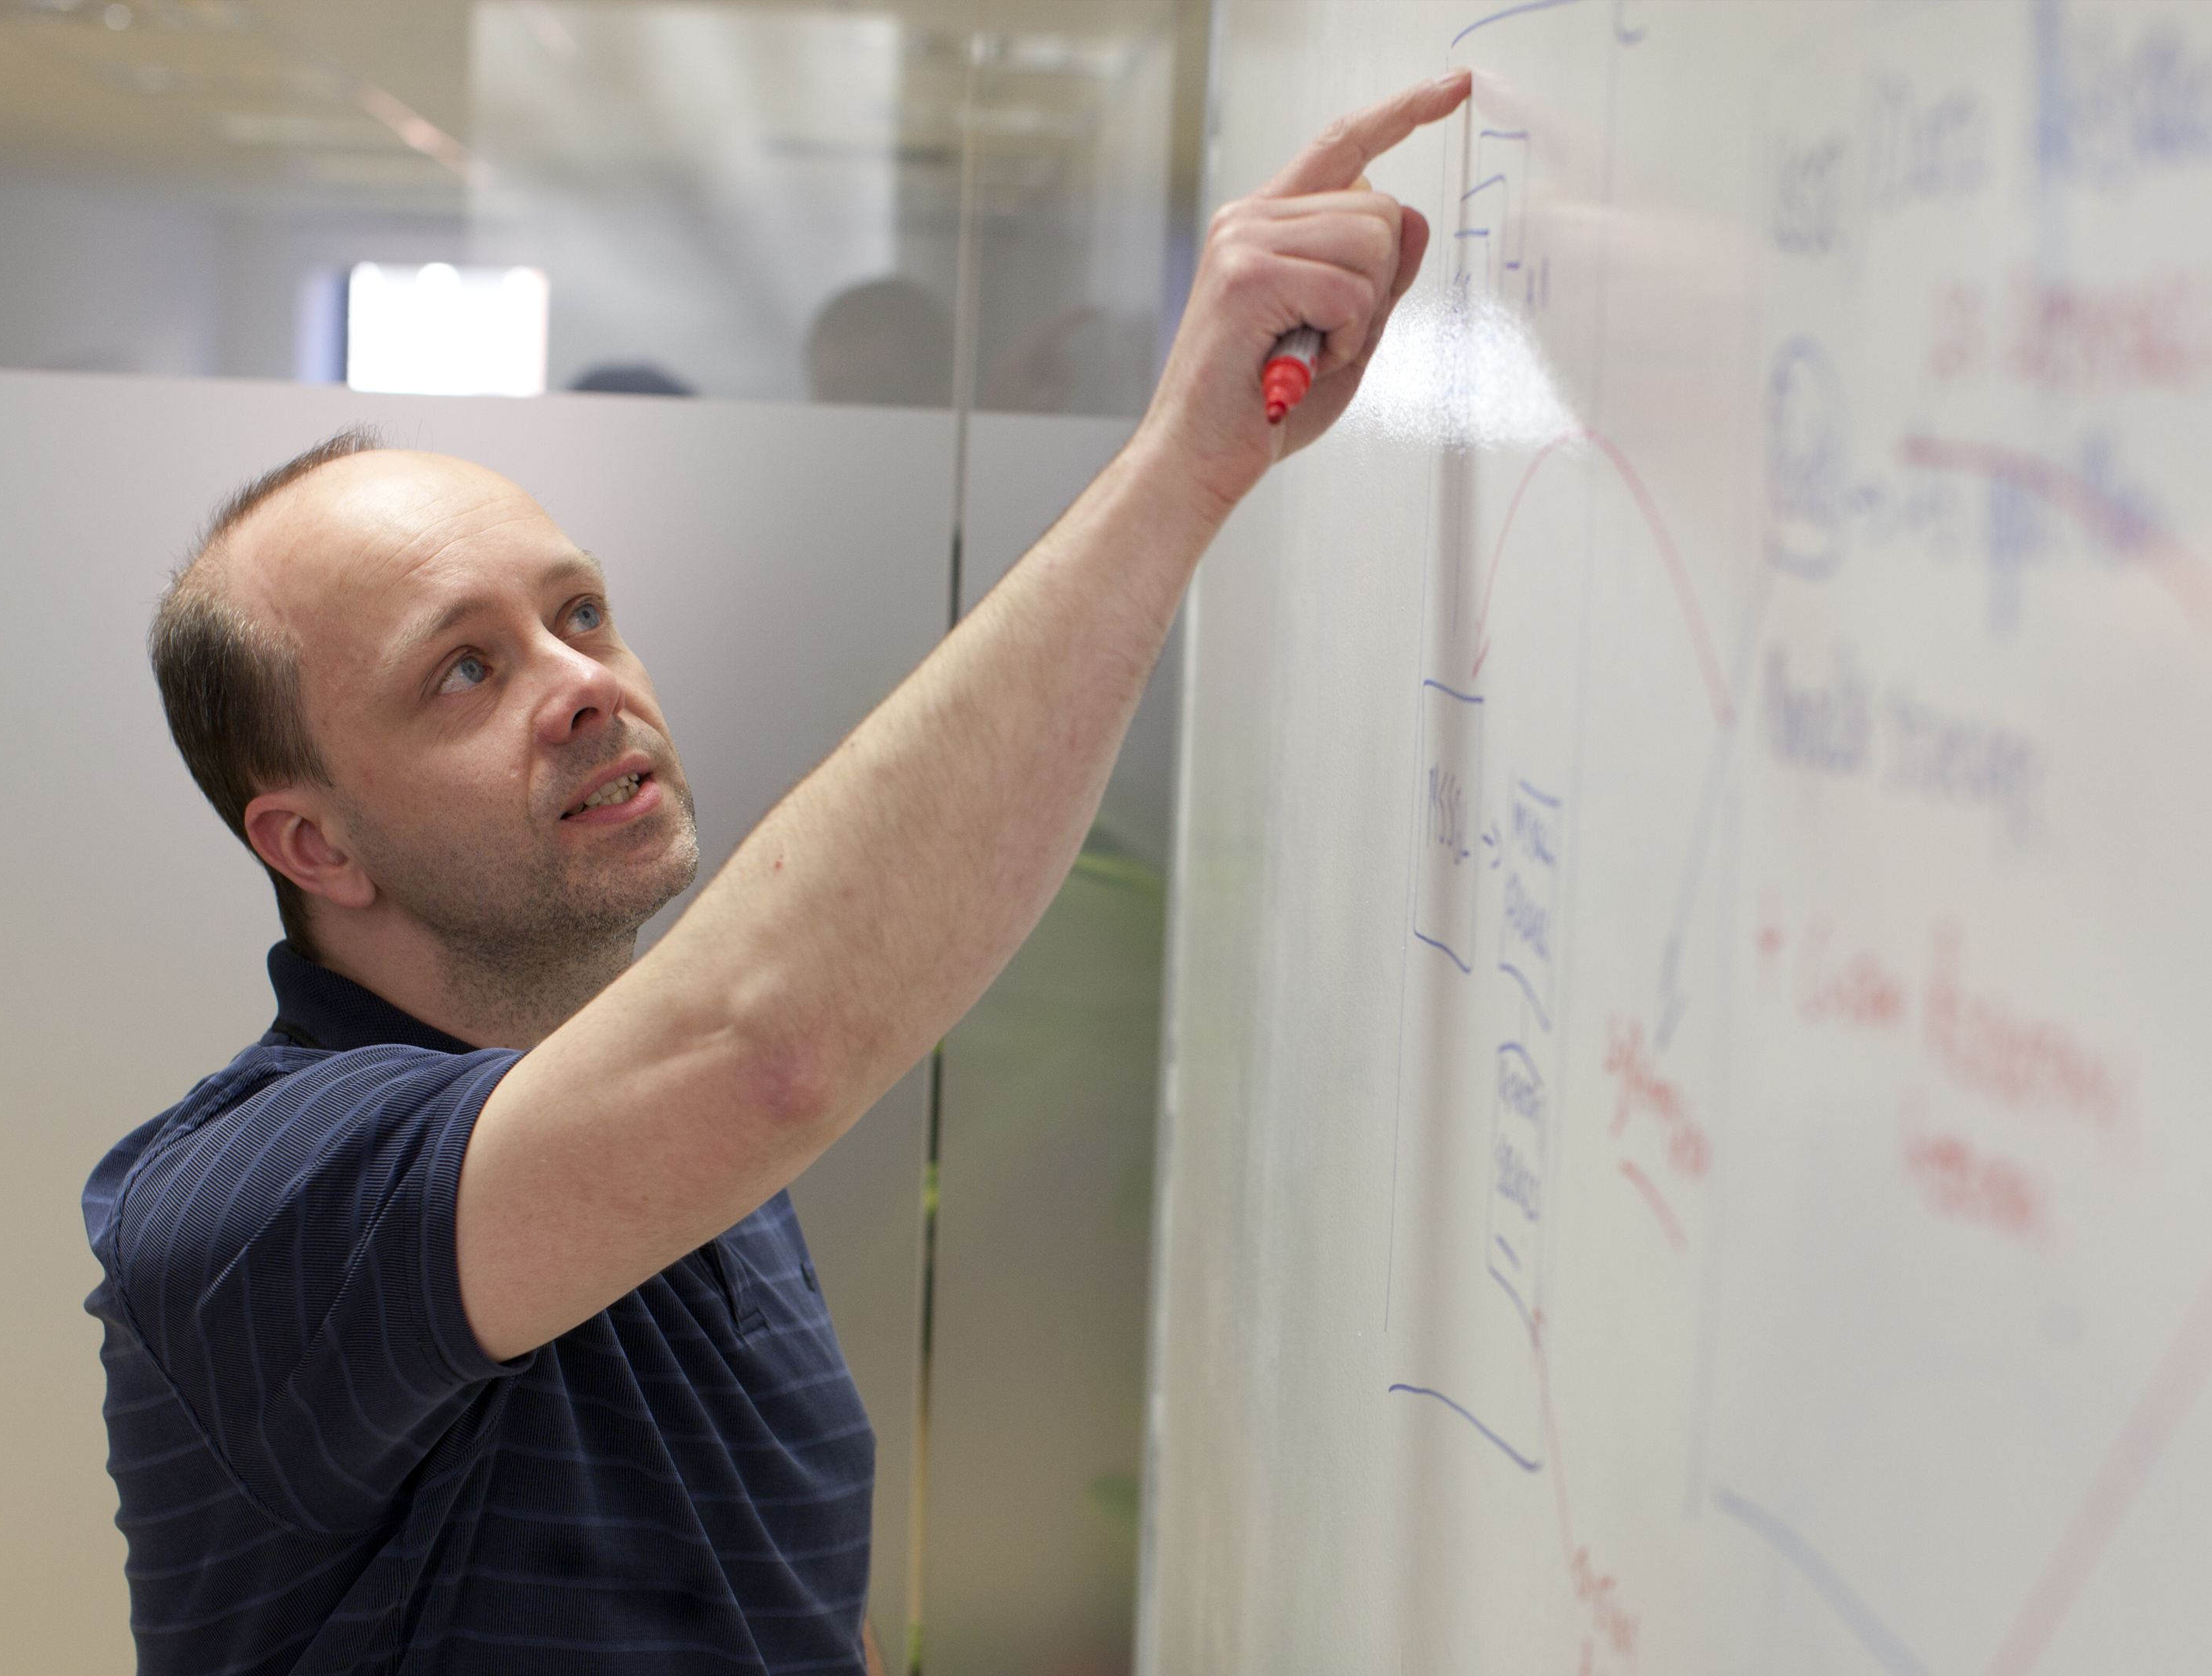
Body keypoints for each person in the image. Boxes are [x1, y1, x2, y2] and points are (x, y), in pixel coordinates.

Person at [81, 72, 1471, 1676]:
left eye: (580, 613)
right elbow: (766, 1049)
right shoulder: (247, 1218)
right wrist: (1186, 465)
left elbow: (785, 1593)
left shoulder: (668, 1144)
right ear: (312, 843)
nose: (583, 682)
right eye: (462, 672)